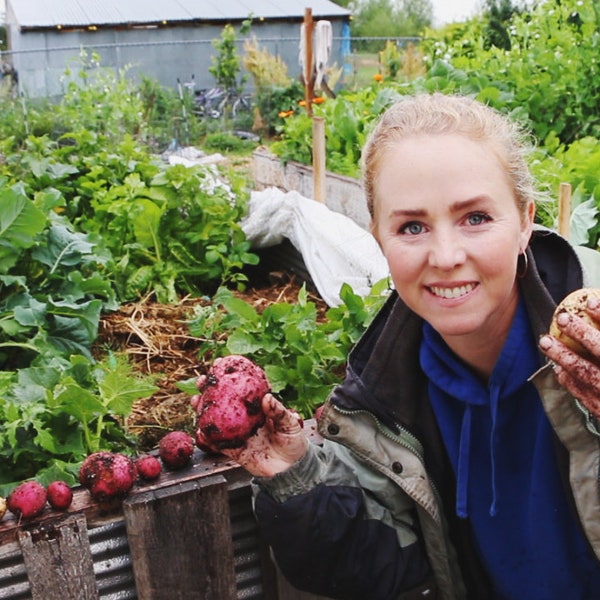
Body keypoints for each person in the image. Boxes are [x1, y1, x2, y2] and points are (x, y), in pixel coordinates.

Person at [196, 93, 600, 599]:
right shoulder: (384, 398)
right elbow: (383, 570)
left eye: (475, 217)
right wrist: (296, 475)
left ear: (524, 221)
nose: (446, 255)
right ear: (379, 239)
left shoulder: (593, 340)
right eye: (412, 227)